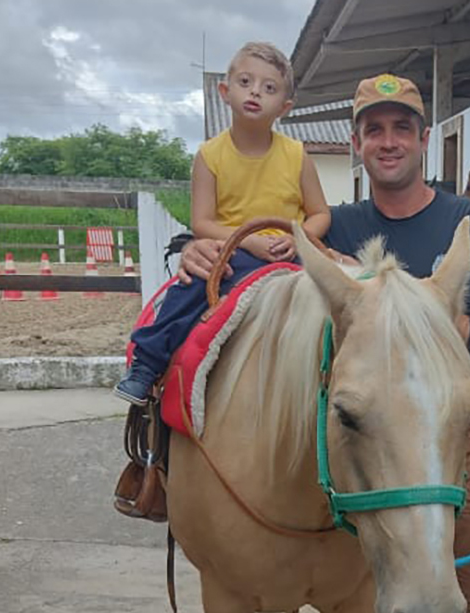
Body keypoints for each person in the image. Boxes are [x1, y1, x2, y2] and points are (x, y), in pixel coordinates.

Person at [179, 73, 470, 613]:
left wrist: (403, 311)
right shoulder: (333, 227)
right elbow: (277, 287)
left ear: (426, 139)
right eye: (375, 129)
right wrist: (197, 252)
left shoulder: (469, 222)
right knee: (386, 587)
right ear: (358, 144)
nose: (389, 140)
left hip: (467, 432)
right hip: (373, 439)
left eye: (404, 127)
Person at [113, 41, 330, 405]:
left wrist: (299, 236)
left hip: (287, 254)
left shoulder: (297, 155)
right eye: (246, 81)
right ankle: (147, 363)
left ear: (285, 107)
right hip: (232, 252)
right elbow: (203, 222)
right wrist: (246, 241)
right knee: (189, 287)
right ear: (225, 92)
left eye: (270, 88)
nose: (256, 92)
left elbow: (321, 213)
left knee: (341, 292)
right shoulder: (209, 156)